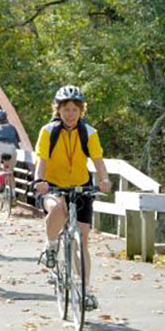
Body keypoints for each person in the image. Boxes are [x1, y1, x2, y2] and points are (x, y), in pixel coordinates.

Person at [32, 85, 112, 309]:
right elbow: (42, 159)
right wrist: (40, 181)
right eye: (66, 109)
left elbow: (97, 160)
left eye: (75, 109)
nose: (70, 114)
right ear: (58, 110)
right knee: (58, 209)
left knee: (82, 241)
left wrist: (104, 180)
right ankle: (50, 245)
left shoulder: (89, 132)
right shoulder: (48, 131)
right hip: (52, 186)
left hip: (81, 186)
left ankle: (85, 290)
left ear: (81, 111)